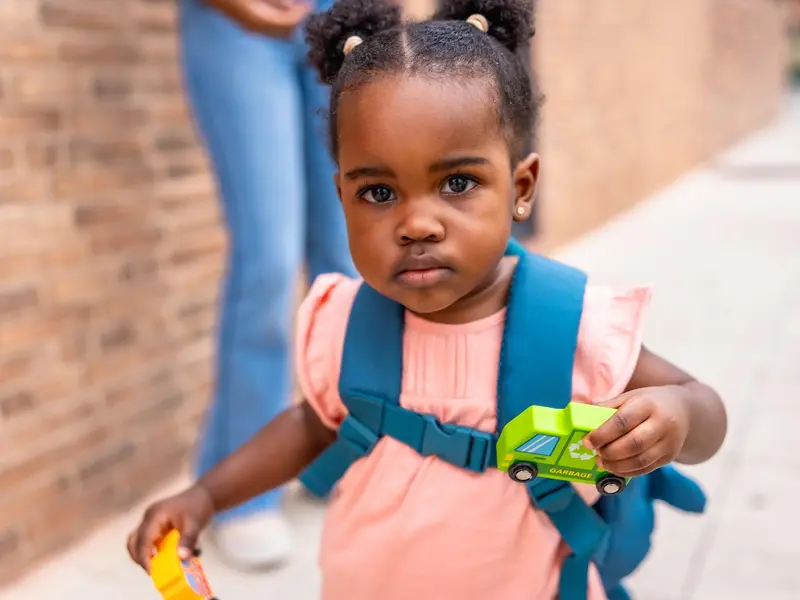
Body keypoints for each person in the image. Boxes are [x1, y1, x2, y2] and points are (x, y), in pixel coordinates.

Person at [130, 0, 728, 597]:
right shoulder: (346, 321)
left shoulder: (574, 325)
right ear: (342, 197)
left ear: (521, 189)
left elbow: (703, 406)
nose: (417, 223)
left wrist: (675, 417)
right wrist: (206, 495)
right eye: (380, 192)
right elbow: (312, 427)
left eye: (458, 183)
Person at [178, 0, 357, 569]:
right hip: (235, 21)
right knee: (269, 261)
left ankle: (330, 455)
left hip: (342, 17)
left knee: (349, 257)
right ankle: (240, 490)